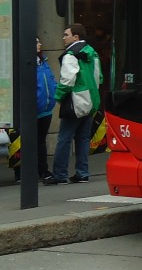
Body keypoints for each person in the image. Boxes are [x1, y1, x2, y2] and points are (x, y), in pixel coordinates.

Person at [47, 23, 103, 185]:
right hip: (91, 100)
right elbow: (99, 77)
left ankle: (60, 174)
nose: (63, 38)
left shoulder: (71, 54)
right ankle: (82, 173)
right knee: (83, 138)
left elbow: (67, 81)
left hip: (75, 101)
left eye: (66, 34)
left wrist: (58, 97)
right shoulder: (92, 52)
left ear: (75, 37)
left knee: (64, 138)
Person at [35, 37, 57, 183]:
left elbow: (51, 81)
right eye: (36, 42)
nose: (40, 44)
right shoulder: (26, 62)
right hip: (32, 109)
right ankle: (23, 171)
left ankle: (43, 170)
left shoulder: (43, 61)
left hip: (46, 109)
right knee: (29, 141)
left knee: (40, 141)